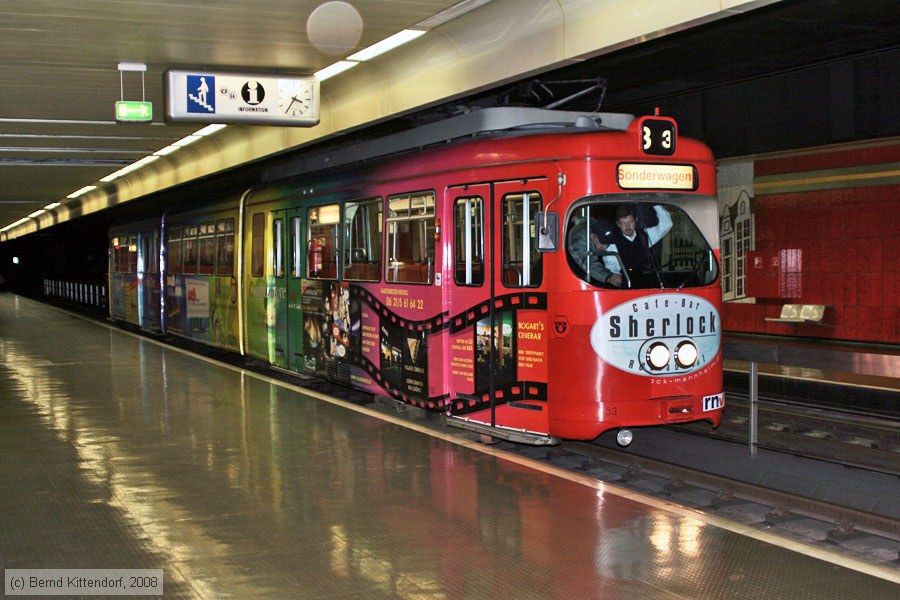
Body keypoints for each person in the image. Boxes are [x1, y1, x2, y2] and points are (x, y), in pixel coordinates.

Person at [611, 204, 672, 275]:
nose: (627, 226)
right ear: (618, 224)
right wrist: (615, 275)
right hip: (625, 281)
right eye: (623, 223)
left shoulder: (645, 234)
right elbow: (612, 265)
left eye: (630, 222)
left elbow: (666, 224)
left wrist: (656, 205)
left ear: (636, 220)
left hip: (646, 279)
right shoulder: (613, 242)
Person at [567, 218, 623, 287]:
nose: (605, 247)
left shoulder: (600, 227)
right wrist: (608, 277)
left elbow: (611, 250)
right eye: (602, 243)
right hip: (569, 265)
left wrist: (615, 272)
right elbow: (589, 263)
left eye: (607, 243)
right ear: (593, 236)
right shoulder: (578, 240)